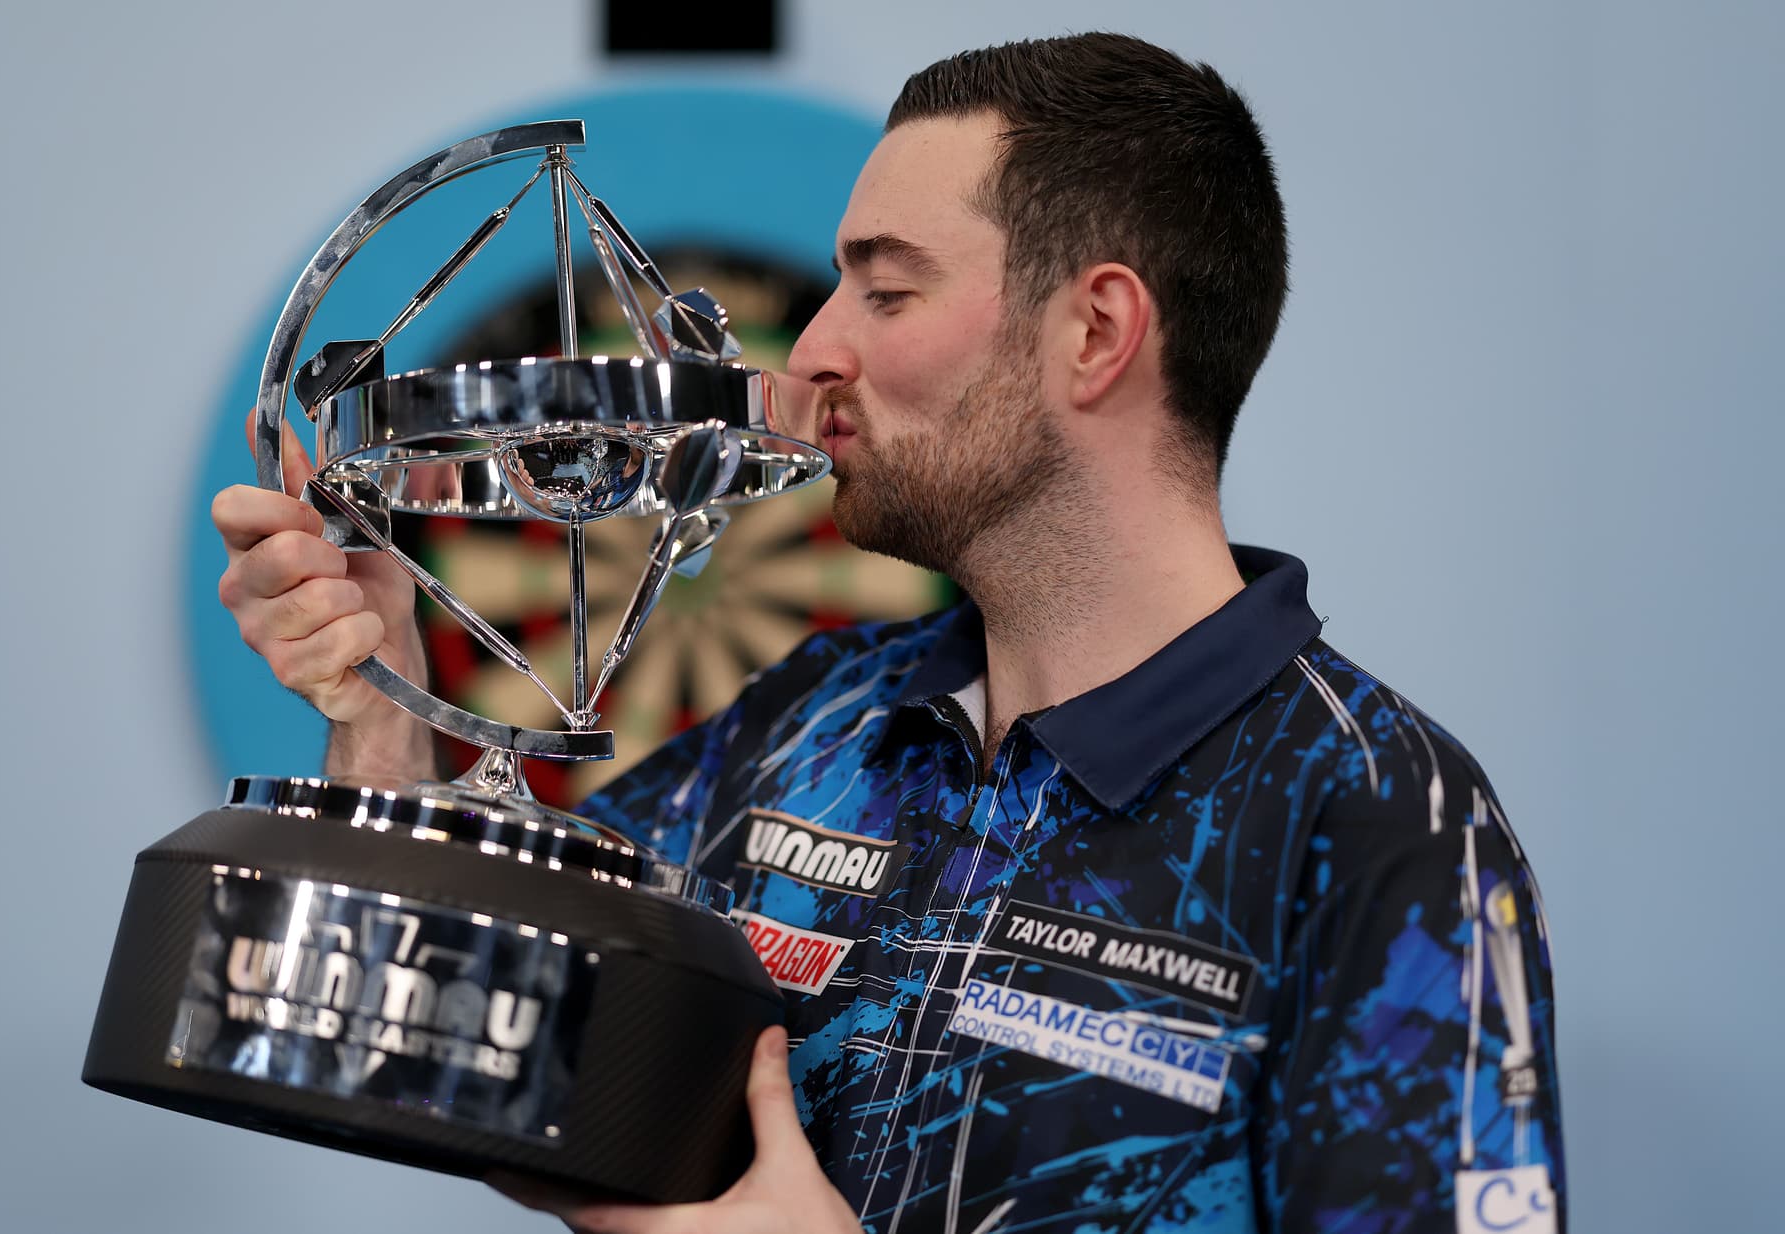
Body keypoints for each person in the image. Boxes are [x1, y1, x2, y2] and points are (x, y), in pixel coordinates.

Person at [214, 33, 1564, 1234]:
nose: (809, 353)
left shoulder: (1381, 818)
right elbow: (508, 1063)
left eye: (887, 290)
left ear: (1095, 331)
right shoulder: (810, 716)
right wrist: (382, 724)